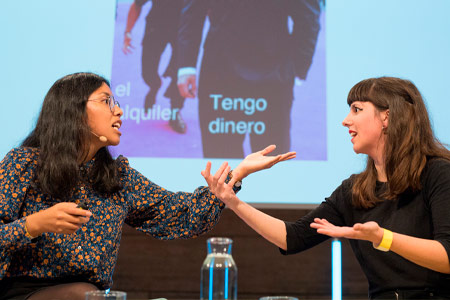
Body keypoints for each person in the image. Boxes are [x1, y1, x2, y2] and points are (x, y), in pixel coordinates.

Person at [0, 72, 295, 300]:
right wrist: (32, 225)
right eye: (106, 102)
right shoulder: (24, 164)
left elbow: (181, 215)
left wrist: (238, 172)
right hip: (24, 293)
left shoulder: (117, 177)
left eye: (116, 102)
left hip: (92, 294)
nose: (119, 111)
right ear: (72, 111)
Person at [204, 77, 450, 299]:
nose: (346, 121)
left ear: (387, 117)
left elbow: (447, 256)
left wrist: (383, 238)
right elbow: (293, 238)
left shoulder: (438, 173)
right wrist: (233, 202)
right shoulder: (355, 190)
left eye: (357, 109)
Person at [177, 0, 322, 158]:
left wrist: (299, 67)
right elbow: (193, 11)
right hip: (221, 70)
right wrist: (186, 65)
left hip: (272, 74)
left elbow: (308, 17)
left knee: (270, 163)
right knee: (222, 161)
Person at [123, 0, 187, 133]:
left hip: (184, 28)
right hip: (156, 25)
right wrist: (128, 32)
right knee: (147, 72)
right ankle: (155, 85)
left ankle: (175, 112)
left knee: (181, 72)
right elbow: (137, 4)